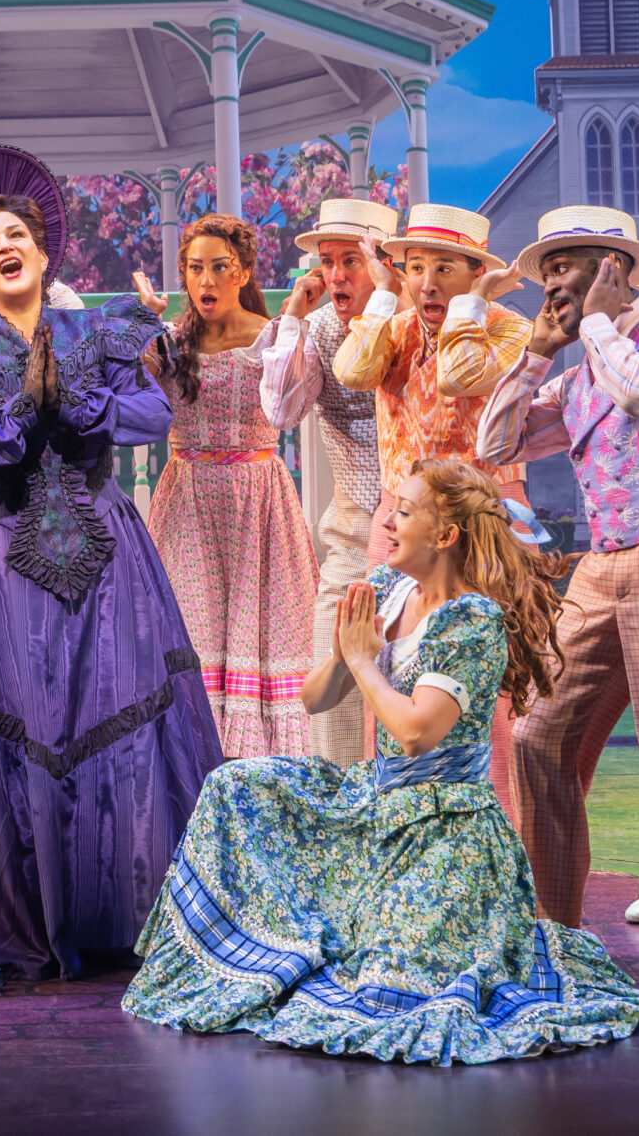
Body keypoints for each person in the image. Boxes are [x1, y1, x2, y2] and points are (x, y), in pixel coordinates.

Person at [122, 458, 639, 1064]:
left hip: (446, 828)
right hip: (377, 802)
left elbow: (415, 733)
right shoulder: (388, 586)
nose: (387, 523)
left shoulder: (472, 621)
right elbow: (315, 698)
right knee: (236, 783)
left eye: (403, 512)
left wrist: (363, 661)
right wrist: (344, 653)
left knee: (398, 981)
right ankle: (246, 952)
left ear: (445, 535)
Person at [0, 145, 223, 980]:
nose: (5, 247)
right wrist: (10, 420)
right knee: (17, 727)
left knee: (116, 719)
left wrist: (76, 402)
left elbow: (153, 418)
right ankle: (24, 912)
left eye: (17, 236)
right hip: (1, 557)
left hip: (105, 551)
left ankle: (120, 912)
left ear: (42, 254)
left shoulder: (99, 331)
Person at [475, 207, 639, 972]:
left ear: (612, 269)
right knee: (537, 736)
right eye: (547, 271)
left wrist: (595, 327)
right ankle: (552, 917)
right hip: (604, 561)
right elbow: (494, 443)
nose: (552, 283)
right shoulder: (577, 372)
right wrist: (534, 354)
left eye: (566, 267)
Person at [336, 204, 535, 821]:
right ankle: (392, 826)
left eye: (444, 268)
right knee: (386, 667)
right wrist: (382, 294)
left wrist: (471, 307)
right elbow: (352, 371)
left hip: (485, 521)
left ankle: (488, 835)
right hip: (400, 522)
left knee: (485, 690)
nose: (426, 283)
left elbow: (457, 377)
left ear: (477, 273)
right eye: (415, 267)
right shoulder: (392, 328)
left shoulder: (510, 330)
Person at [138, 212, 320, 759]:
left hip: (256, 504)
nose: (207, 280)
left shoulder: (274, 336)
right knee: (187, 630)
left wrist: (293, 321)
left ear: (242, 272)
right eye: (195, 268)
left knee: (258, 635)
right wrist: (141, 332)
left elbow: (288, 411)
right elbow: (136, 407)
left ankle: (253, 771)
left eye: (220, 267)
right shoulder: (170, 342)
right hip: (187, 502)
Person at [261, 197, 400, 763]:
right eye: (327, 262)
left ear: (384, 264)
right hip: (352, 531)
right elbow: (281, 410)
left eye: (351, 261)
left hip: (426, 542)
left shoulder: (413, 324)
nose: (337, 276)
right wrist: (293, 320)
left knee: (406, 687)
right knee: (329, 689)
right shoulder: (318, 329)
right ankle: (340, 803)